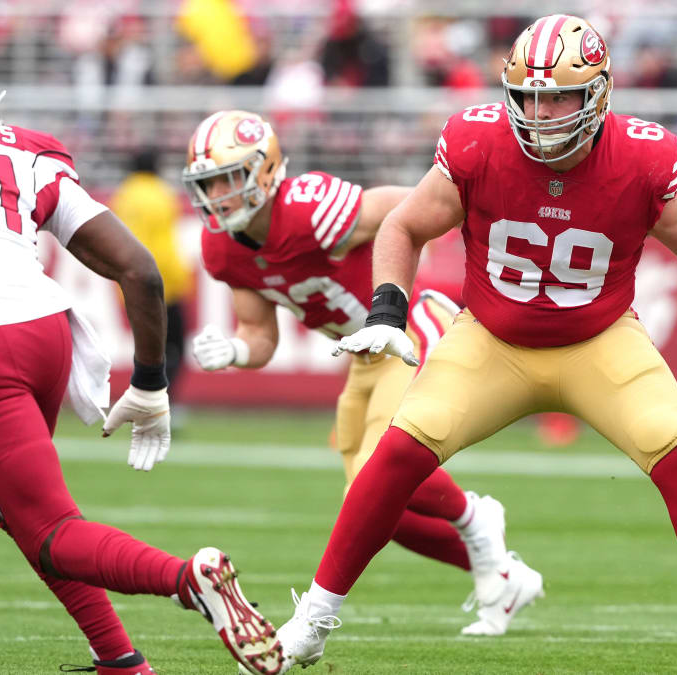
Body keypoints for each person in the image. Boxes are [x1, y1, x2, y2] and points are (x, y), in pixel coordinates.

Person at [277, 15, 677, 675]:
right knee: (394, 455)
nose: (541, 112)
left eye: (560, 95)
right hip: (491, 337)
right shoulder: (478, 141)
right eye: (529, 95)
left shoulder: (644, 156)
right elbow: (404, 225)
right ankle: (311, 620)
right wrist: (388, 307)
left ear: (599, 93)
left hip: (600, 339)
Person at [0, 23, 283, 675]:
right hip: (45, 327)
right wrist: (151, 382)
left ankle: (188, 580)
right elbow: (138, 269)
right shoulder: (28, 152)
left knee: (49, 531)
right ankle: (119, 658)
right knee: (24, 515)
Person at [181, 110, 541, 638]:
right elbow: (262, 337)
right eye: (207, 183)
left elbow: (415, 207)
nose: (217, 195)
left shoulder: (309, 209)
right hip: (363, 355)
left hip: (411, 328)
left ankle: (476, 518)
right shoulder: (223, 248)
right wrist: (235, 351)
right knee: (369, 507)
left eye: (227, 179)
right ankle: (502, 572)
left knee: (380, 469)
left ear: (265, 171)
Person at [110, 148, 193, 416]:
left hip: (131, 284)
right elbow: (165, 244)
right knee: (174, 347)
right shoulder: (162, 194)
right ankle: (162, 401)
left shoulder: (122, 196)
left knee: (147, 347)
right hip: (163, 283)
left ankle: (147, 400)